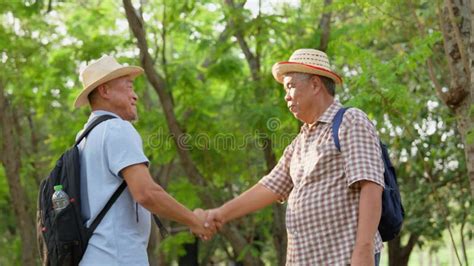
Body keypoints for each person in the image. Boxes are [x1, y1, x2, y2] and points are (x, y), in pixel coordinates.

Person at [197, 49, 385, 265]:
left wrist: (364, 249)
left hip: (343, 259)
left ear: (315, 85)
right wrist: (219, 214)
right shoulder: (300, 142)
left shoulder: (351, 121)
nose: (286, 96)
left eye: (291, 86)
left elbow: (371, 185)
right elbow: (270, 186)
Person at [74, 55, 211, 265]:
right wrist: (194, 221)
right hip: (116, 258)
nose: (135, 95)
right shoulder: (116, 128)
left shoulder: (83, 137)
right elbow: (146, 193)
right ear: (105, 90)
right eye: (128, 87)